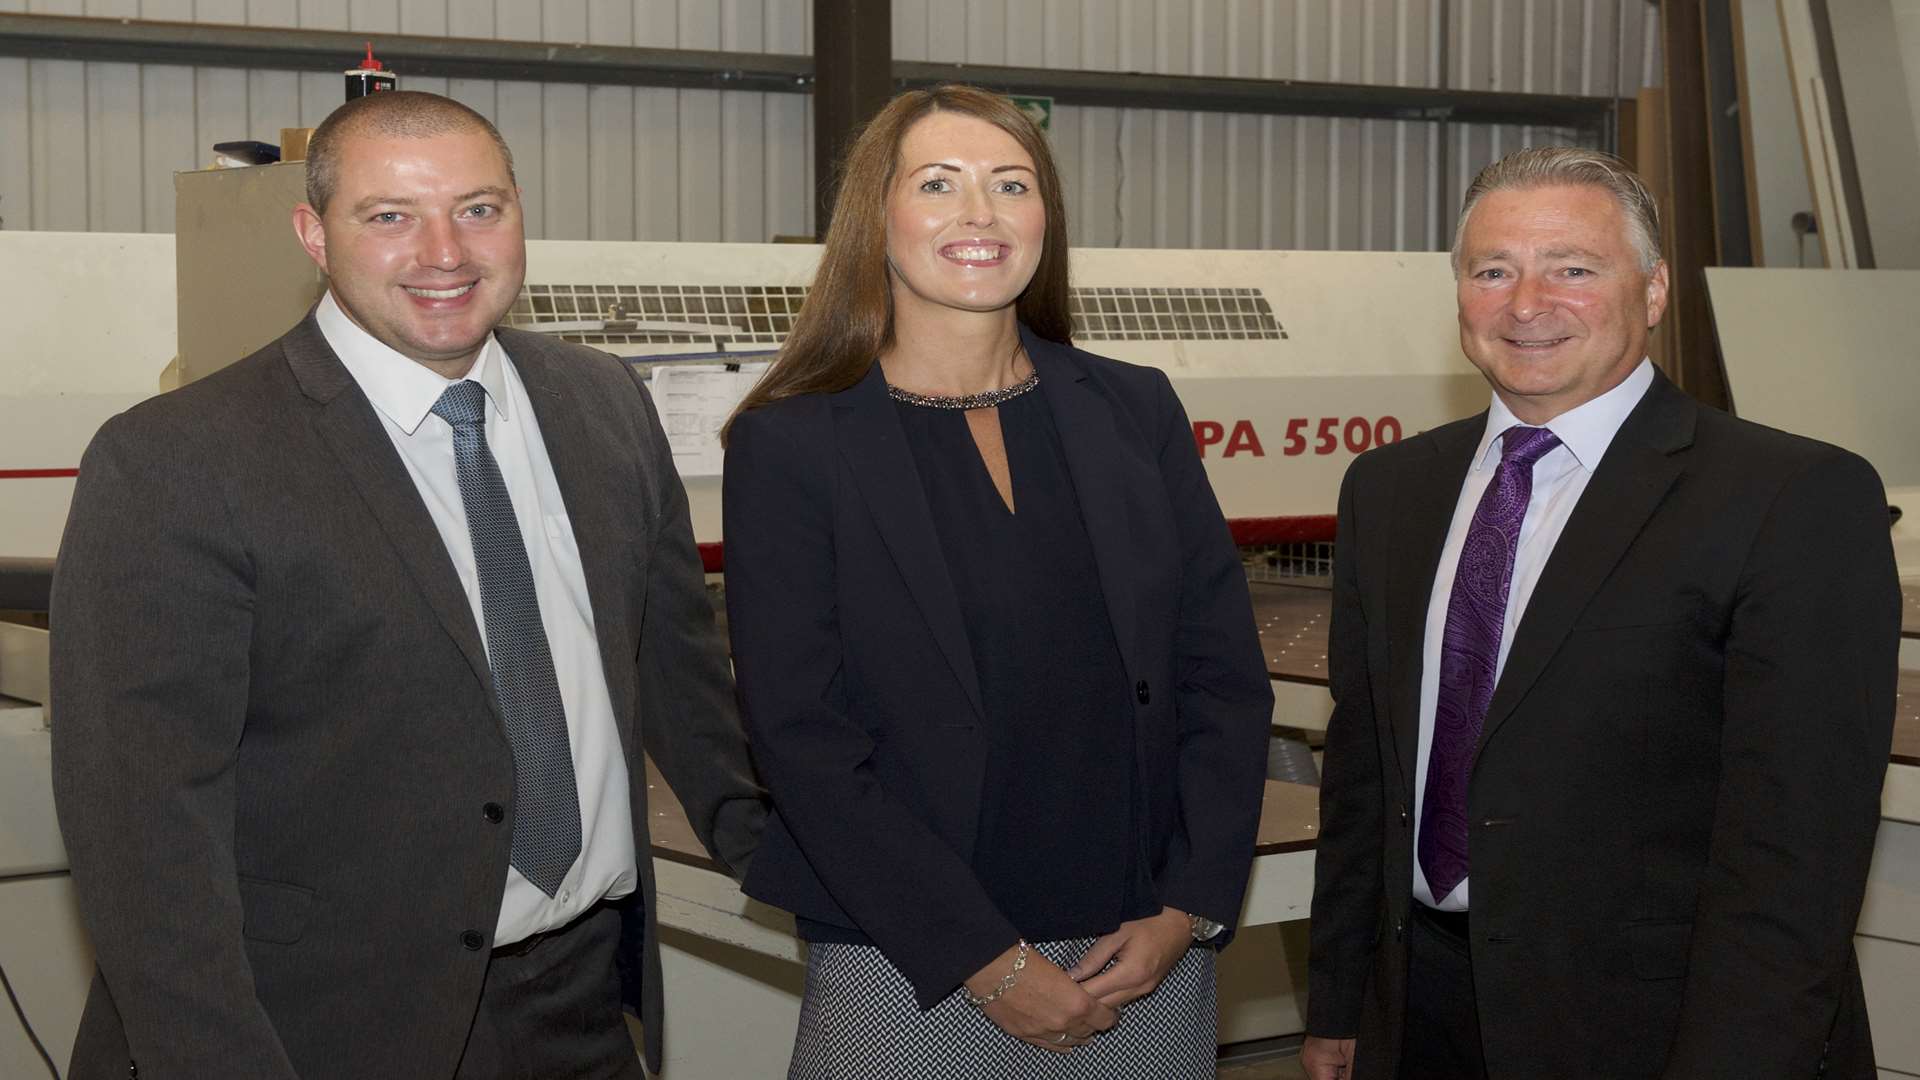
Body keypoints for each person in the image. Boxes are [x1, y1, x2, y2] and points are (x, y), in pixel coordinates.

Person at [50, 90, 765, 1080]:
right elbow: (145, 843)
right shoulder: (178, 462)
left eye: (479, 209)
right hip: (319, 1027)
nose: (445, 253)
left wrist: (799, 864)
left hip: (585, 1009)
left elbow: (682, 682)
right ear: (312, 233)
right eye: (389, 216)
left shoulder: (602, 407)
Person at [1302, 146, 1900, 1079]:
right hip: (1417, 1011)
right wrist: (1340, 1000)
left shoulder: (1793, 496)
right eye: (1493, 270)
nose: (1527, 303)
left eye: (1573, 269)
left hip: (1660, 1030)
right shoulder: (1390, 490)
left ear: (1654, 291)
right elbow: (1366, 772)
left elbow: (1797, 848)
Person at [721, 84, 1273, 1079]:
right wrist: (980, 958)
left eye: (1010, 185)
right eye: (939, 184)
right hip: (912, 952)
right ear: (875, 220)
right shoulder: (793, 445)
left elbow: (1223, 676)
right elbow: (801, 734)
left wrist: (1189, 907)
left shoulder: (1134, 409)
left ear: (1043, 221)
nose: (978, 213)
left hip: (1136, 948)